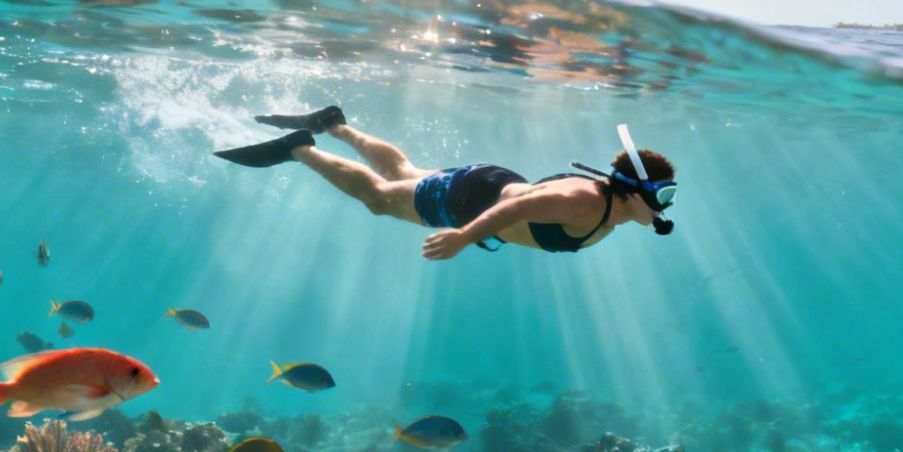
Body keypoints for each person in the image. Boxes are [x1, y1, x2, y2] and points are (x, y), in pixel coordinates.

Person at [214, 106, 675, 259]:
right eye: (664, 195)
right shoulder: (583, 204)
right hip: (468, 202)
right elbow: (519, 210)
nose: (665, 207)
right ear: (635, 191)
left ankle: (334, 124)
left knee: (403, 174)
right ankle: (299, 148)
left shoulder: (608, 210)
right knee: (379, 197)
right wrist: (463, 235)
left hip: (486, 183)